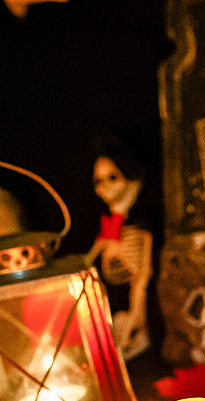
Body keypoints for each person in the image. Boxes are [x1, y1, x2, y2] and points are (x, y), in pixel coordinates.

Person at [88, 140, 153, 359]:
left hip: (136, 289)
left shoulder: (141, 226)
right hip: (114, 296)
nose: (104, 186)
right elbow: (91, 256)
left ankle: (133, 338)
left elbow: (144, 271)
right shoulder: (110, 225)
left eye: (112, 177)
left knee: (132, 315)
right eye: (98, 180)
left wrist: (137, 306)